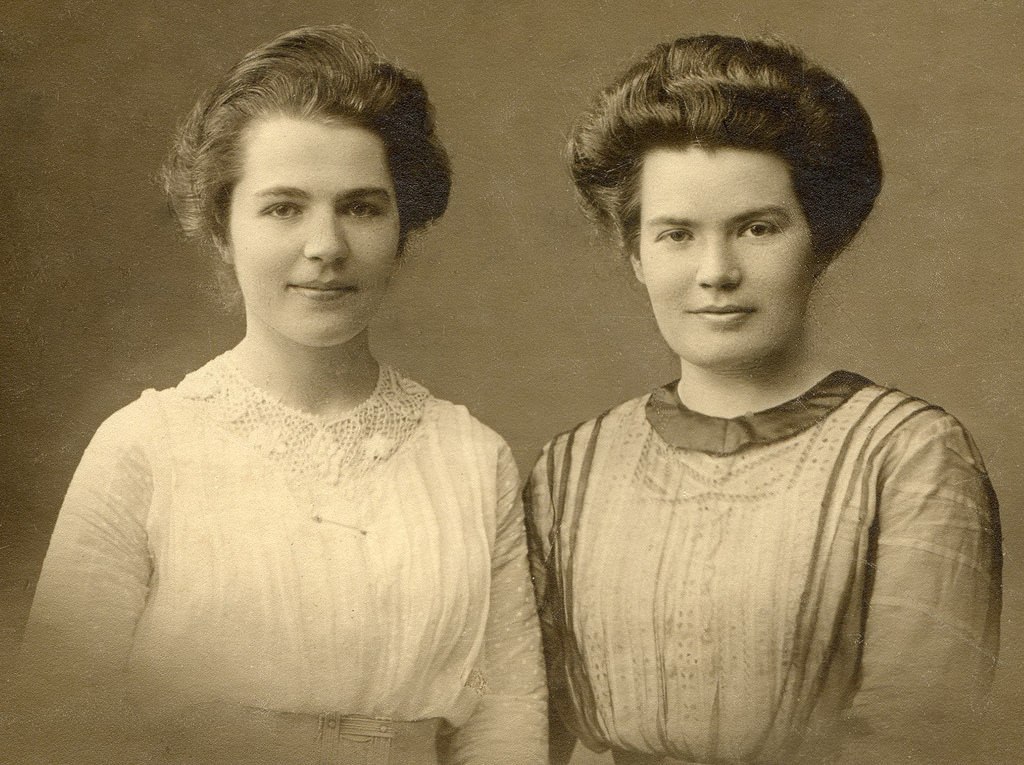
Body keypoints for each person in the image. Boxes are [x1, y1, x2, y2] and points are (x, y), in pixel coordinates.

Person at [15, 25, 545, 765]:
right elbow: (56, 720)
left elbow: (506, 721)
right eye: (283, 208)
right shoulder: (147, 445)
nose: (325, 246)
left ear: (403, 228)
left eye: (361, 207)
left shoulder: (469, 457)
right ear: (222, 228)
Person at [524, 35, 1001, 765]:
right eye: (677, 234)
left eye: (757, 228)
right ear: (635, 255)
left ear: (821, 240)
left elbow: (923, 733)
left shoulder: (910, 455)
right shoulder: (570, 470)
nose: (716, 272)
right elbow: (526, 727)